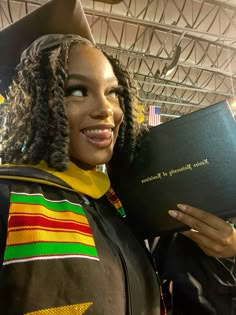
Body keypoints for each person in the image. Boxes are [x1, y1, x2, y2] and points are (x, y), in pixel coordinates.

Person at [0, 16, 236, 315]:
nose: (105, 109)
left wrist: (225, 254)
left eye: (114, 93)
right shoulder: (11, 203)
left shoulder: (123, 209)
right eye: (76, 91)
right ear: (36, 104)